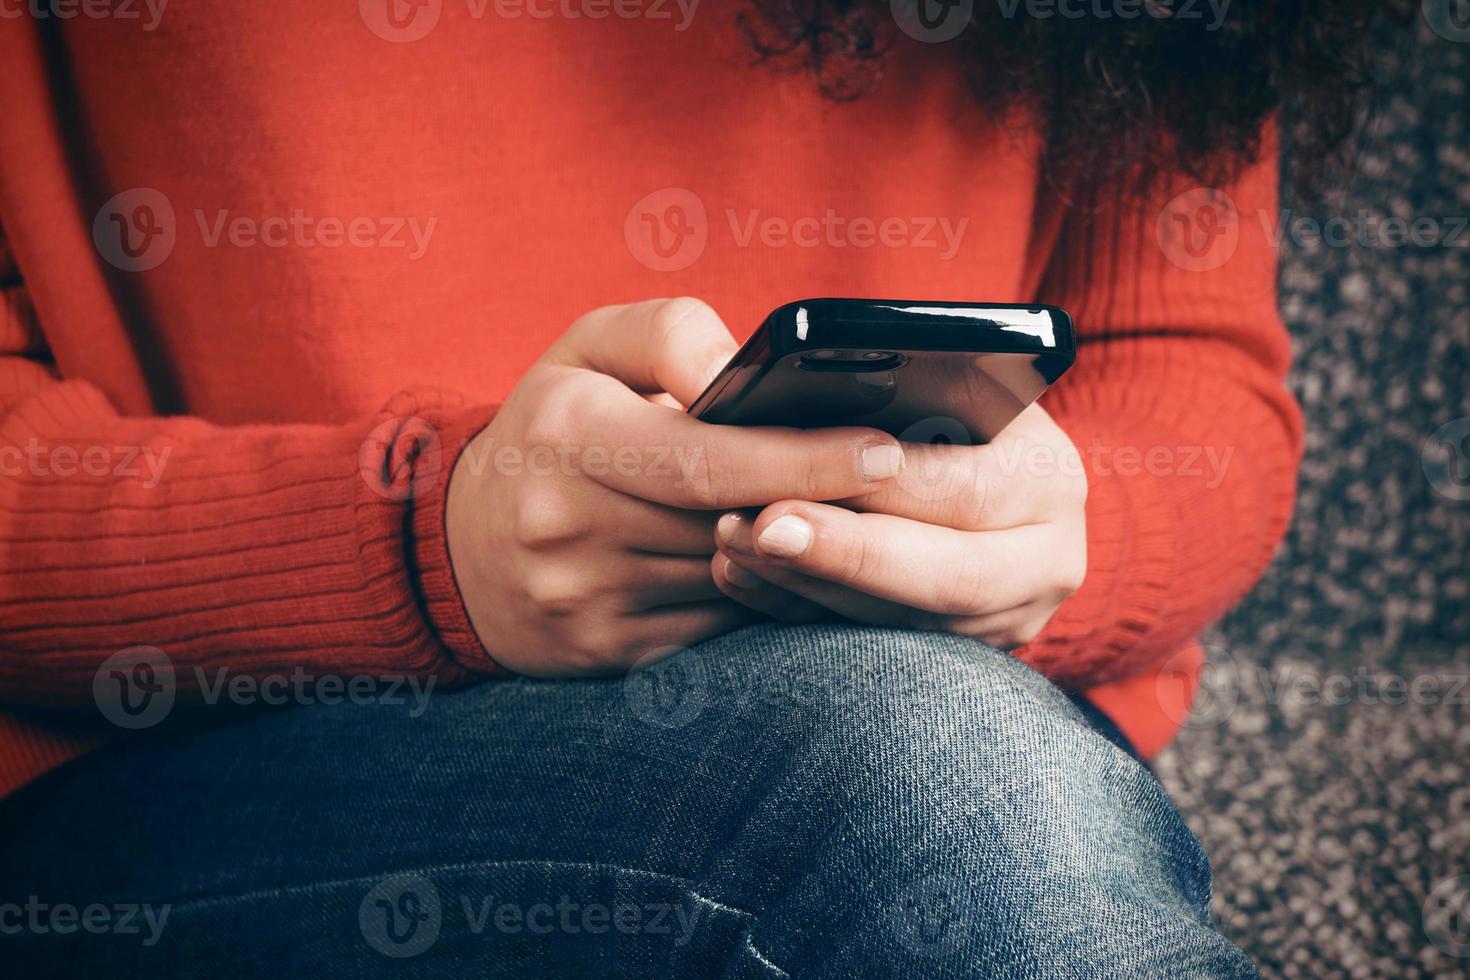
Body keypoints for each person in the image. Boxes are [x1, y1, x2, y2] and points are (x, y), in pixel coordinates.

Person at [0, 2, 1396, 975]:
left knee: (921, 759)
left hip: (953, 734)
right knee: (914, 772)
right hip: (169, 770)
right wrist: (419, 544)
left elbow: (1183, 370)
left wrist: (1052, 537)